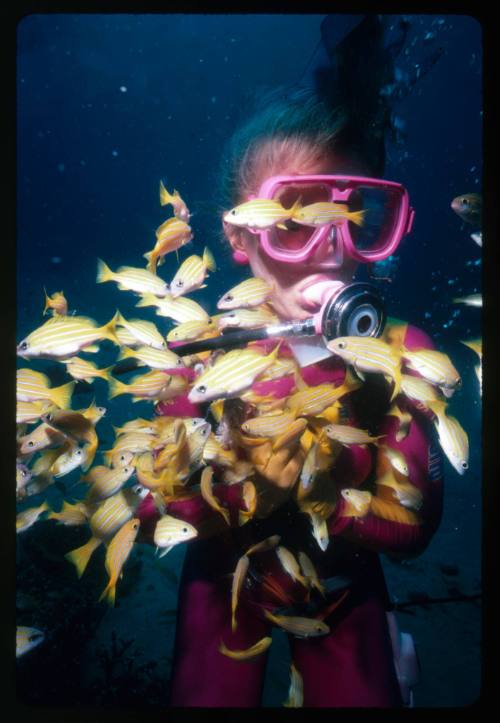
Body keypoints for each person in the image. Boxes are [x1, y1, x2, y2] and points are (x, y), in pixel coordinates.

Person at [135, 19, 444, 708]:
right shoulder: (199, 347)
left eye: (356, 214)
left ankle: (397, 666)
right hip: (222, 581)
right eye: (293, 222)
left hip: (342, 586)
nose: (332, 248)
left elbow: (414, 528)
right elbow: (158, 506)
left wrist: (327, 485)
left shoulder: (402, 351)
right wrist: (235, 485)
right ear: (239, 237)